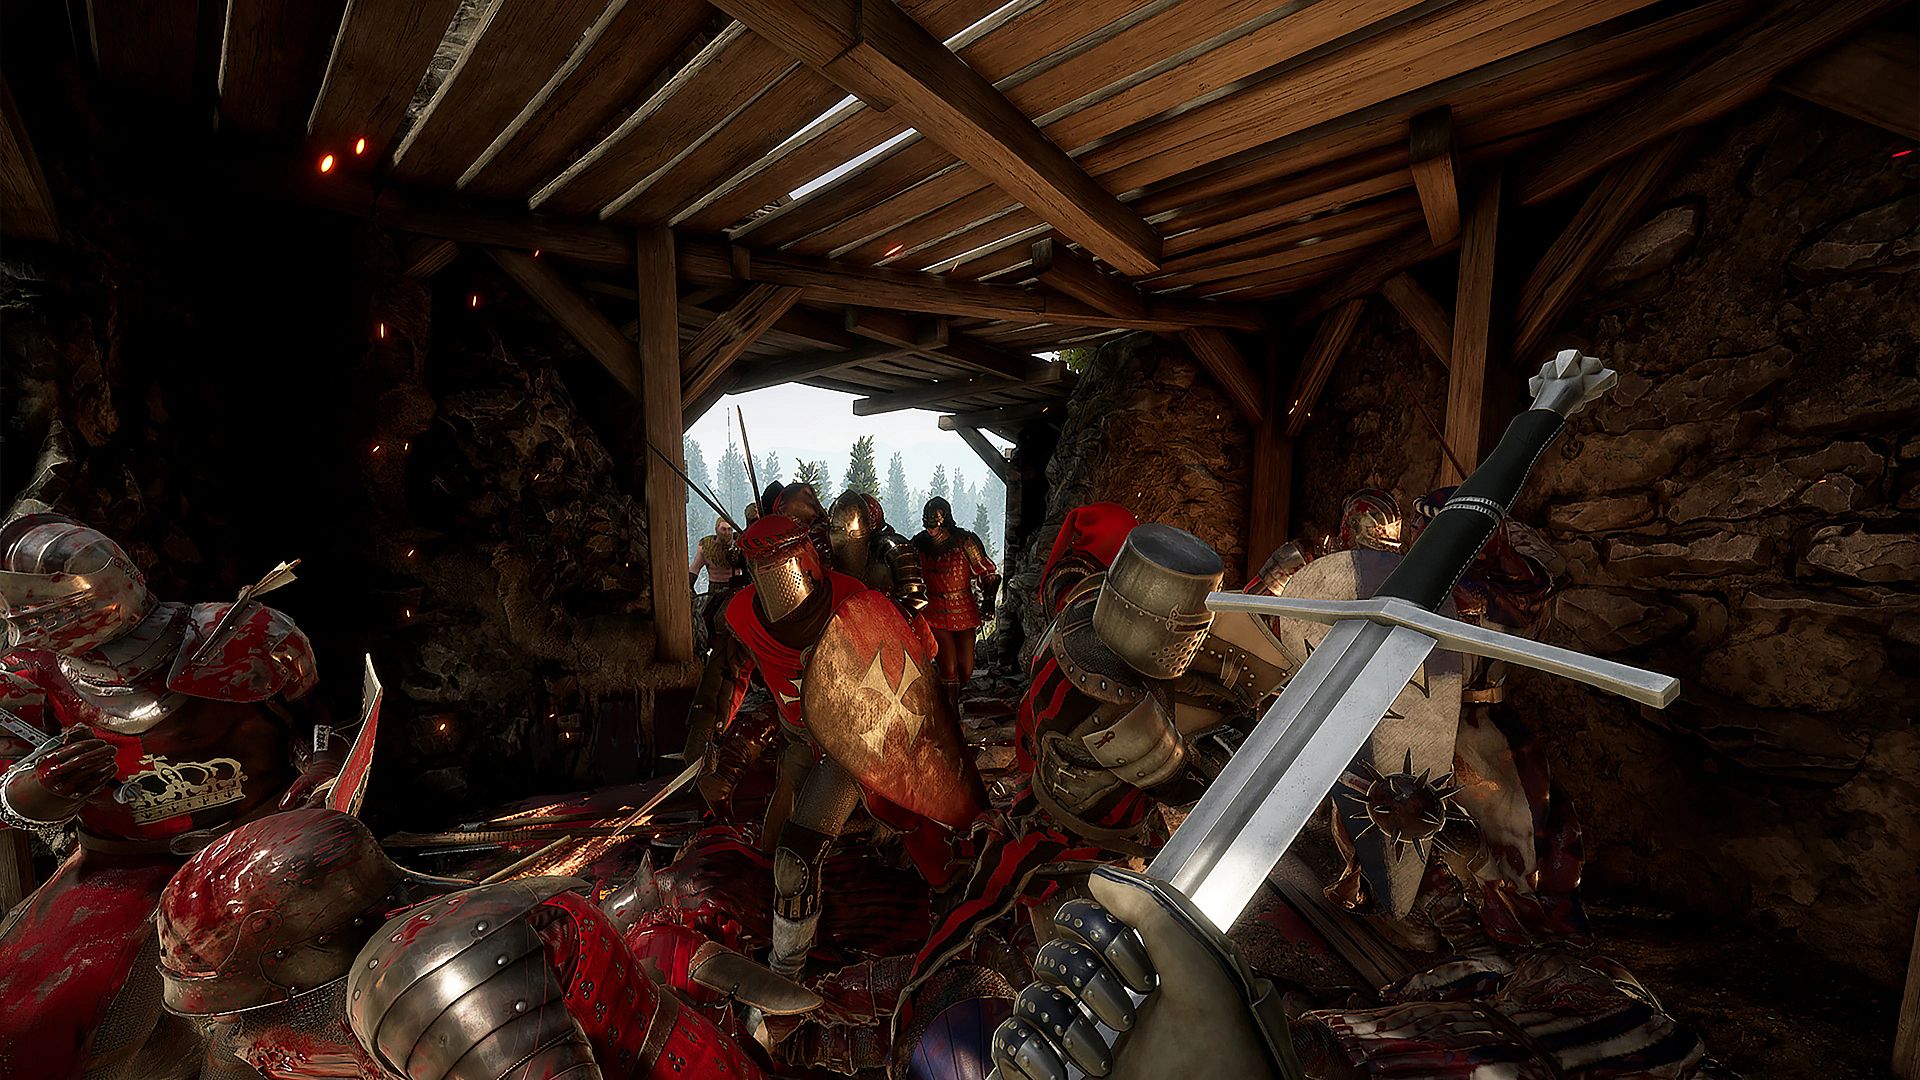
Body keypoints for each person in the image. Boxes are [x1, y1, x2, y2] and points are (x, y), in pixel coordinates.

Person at [0, 513, 339, 1079]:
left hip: (257, 842)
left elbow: (316, 717)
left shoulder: (241, 633)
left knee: (295, 1016)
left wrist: (322, 764)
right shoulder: (26, 673)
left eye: (43, 617)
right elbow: (7, 794)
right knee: (29, 1021)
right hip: (119, 866)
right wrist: (45, 785)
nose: (31, 631)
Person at [154, 806, 772, 1080]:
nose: (237, 1032)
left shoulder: (430, 973)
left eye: (241, 1010)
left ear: (301, 951)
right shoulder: (413, 941)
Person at [685, 513, 984, 979]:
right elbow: (724, 681)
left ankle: (958, 916)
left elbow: (916, 661)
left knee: (918, 826)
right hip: (803, 740)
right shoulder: (742, 614)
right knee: (785, 857)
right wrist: (704, 744)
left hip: (862, 741)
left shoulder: (854, 599)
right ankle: (785, 967)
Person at [911, 496, 999, 711]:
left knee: (965, 668)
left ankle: (951, 703)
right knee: (948, 667)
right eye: (927, 525)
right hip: (933, 611)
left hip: (964, 610)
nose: (930, 530)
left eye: (934, 525)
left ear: (945, 521)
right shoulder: (919, 544)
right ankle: (950, 716)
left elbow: (988, 574)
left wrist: (988, 601)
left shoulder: (966, 541)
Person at [826, 490, 928, 616]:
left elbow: (915, 598)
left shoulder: (895, 547)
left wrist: (884, 619)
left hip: (894, 622)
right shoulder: (845, 553)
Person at [690, 516, 745, 651]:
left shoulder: (740, 546)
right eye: (723, 529)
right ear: (716, 530)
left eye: (729, 529)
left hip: (734, 590)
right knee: (704, 622)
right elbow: (695, 568)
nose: (727, 533)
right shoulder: (706, 548)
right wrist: (689, 586)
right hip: (714, 590)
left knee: (724, 620)